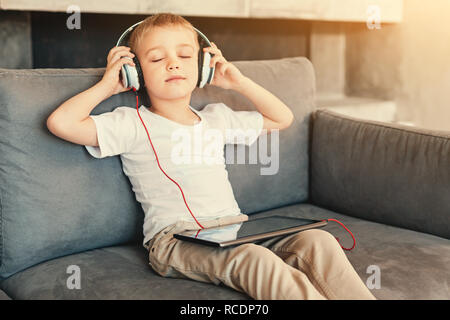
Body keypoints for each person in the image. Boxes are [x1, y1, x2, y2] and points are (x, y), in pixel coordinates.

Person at [46, 13, 375, 300]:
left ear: (202, 68)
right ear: (136, 73)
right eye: (157, 59)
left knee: (317, 240)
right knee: (254, 260)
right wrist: (107, 86)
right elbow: (61, 123)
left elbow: (282, 118)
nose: (173, 63)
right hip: (175, 241)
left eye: (185, 55)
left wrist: (239, 83)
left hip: (233, 231)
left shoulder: (217, 118)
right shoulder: (131, 124)